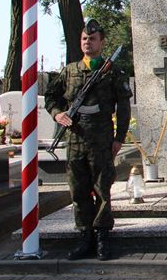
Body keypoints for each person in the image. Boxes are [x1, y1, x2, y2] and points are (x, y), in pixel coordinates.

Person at [45, 19, 132, 260]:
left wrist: (119, 138)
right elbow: (51, 97)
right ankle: (85, 237)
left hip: (101, 140)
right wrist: (58, 114)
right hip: (75, 139)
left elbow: (123, 107)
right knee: (78, 190)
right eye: (84, 38)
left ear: (102, 42)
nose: (87, 42)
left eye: (92, 39)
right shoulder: (69, 71)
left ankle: (103, 237)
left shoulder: (112, 72)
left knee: (102, 189)